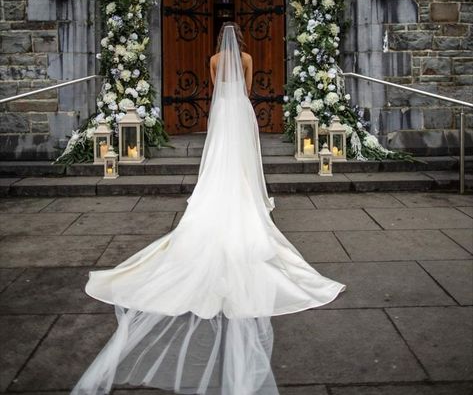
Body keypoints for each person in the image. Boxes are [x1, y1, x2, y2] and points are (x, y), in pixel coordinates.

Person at [71, 22, 346, 395]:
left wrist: (225, 96)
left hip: (221, 112)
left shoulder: (214, 58)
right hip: (240, 111)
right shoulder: (247, 57)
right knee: (242, 158)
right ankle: (244, 192)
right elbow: (246, 89)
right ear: (241, 40)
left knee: (218, 156)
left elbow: (217, 88)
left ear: (219, 41)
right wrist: (240, 96)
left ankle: (217, 191)